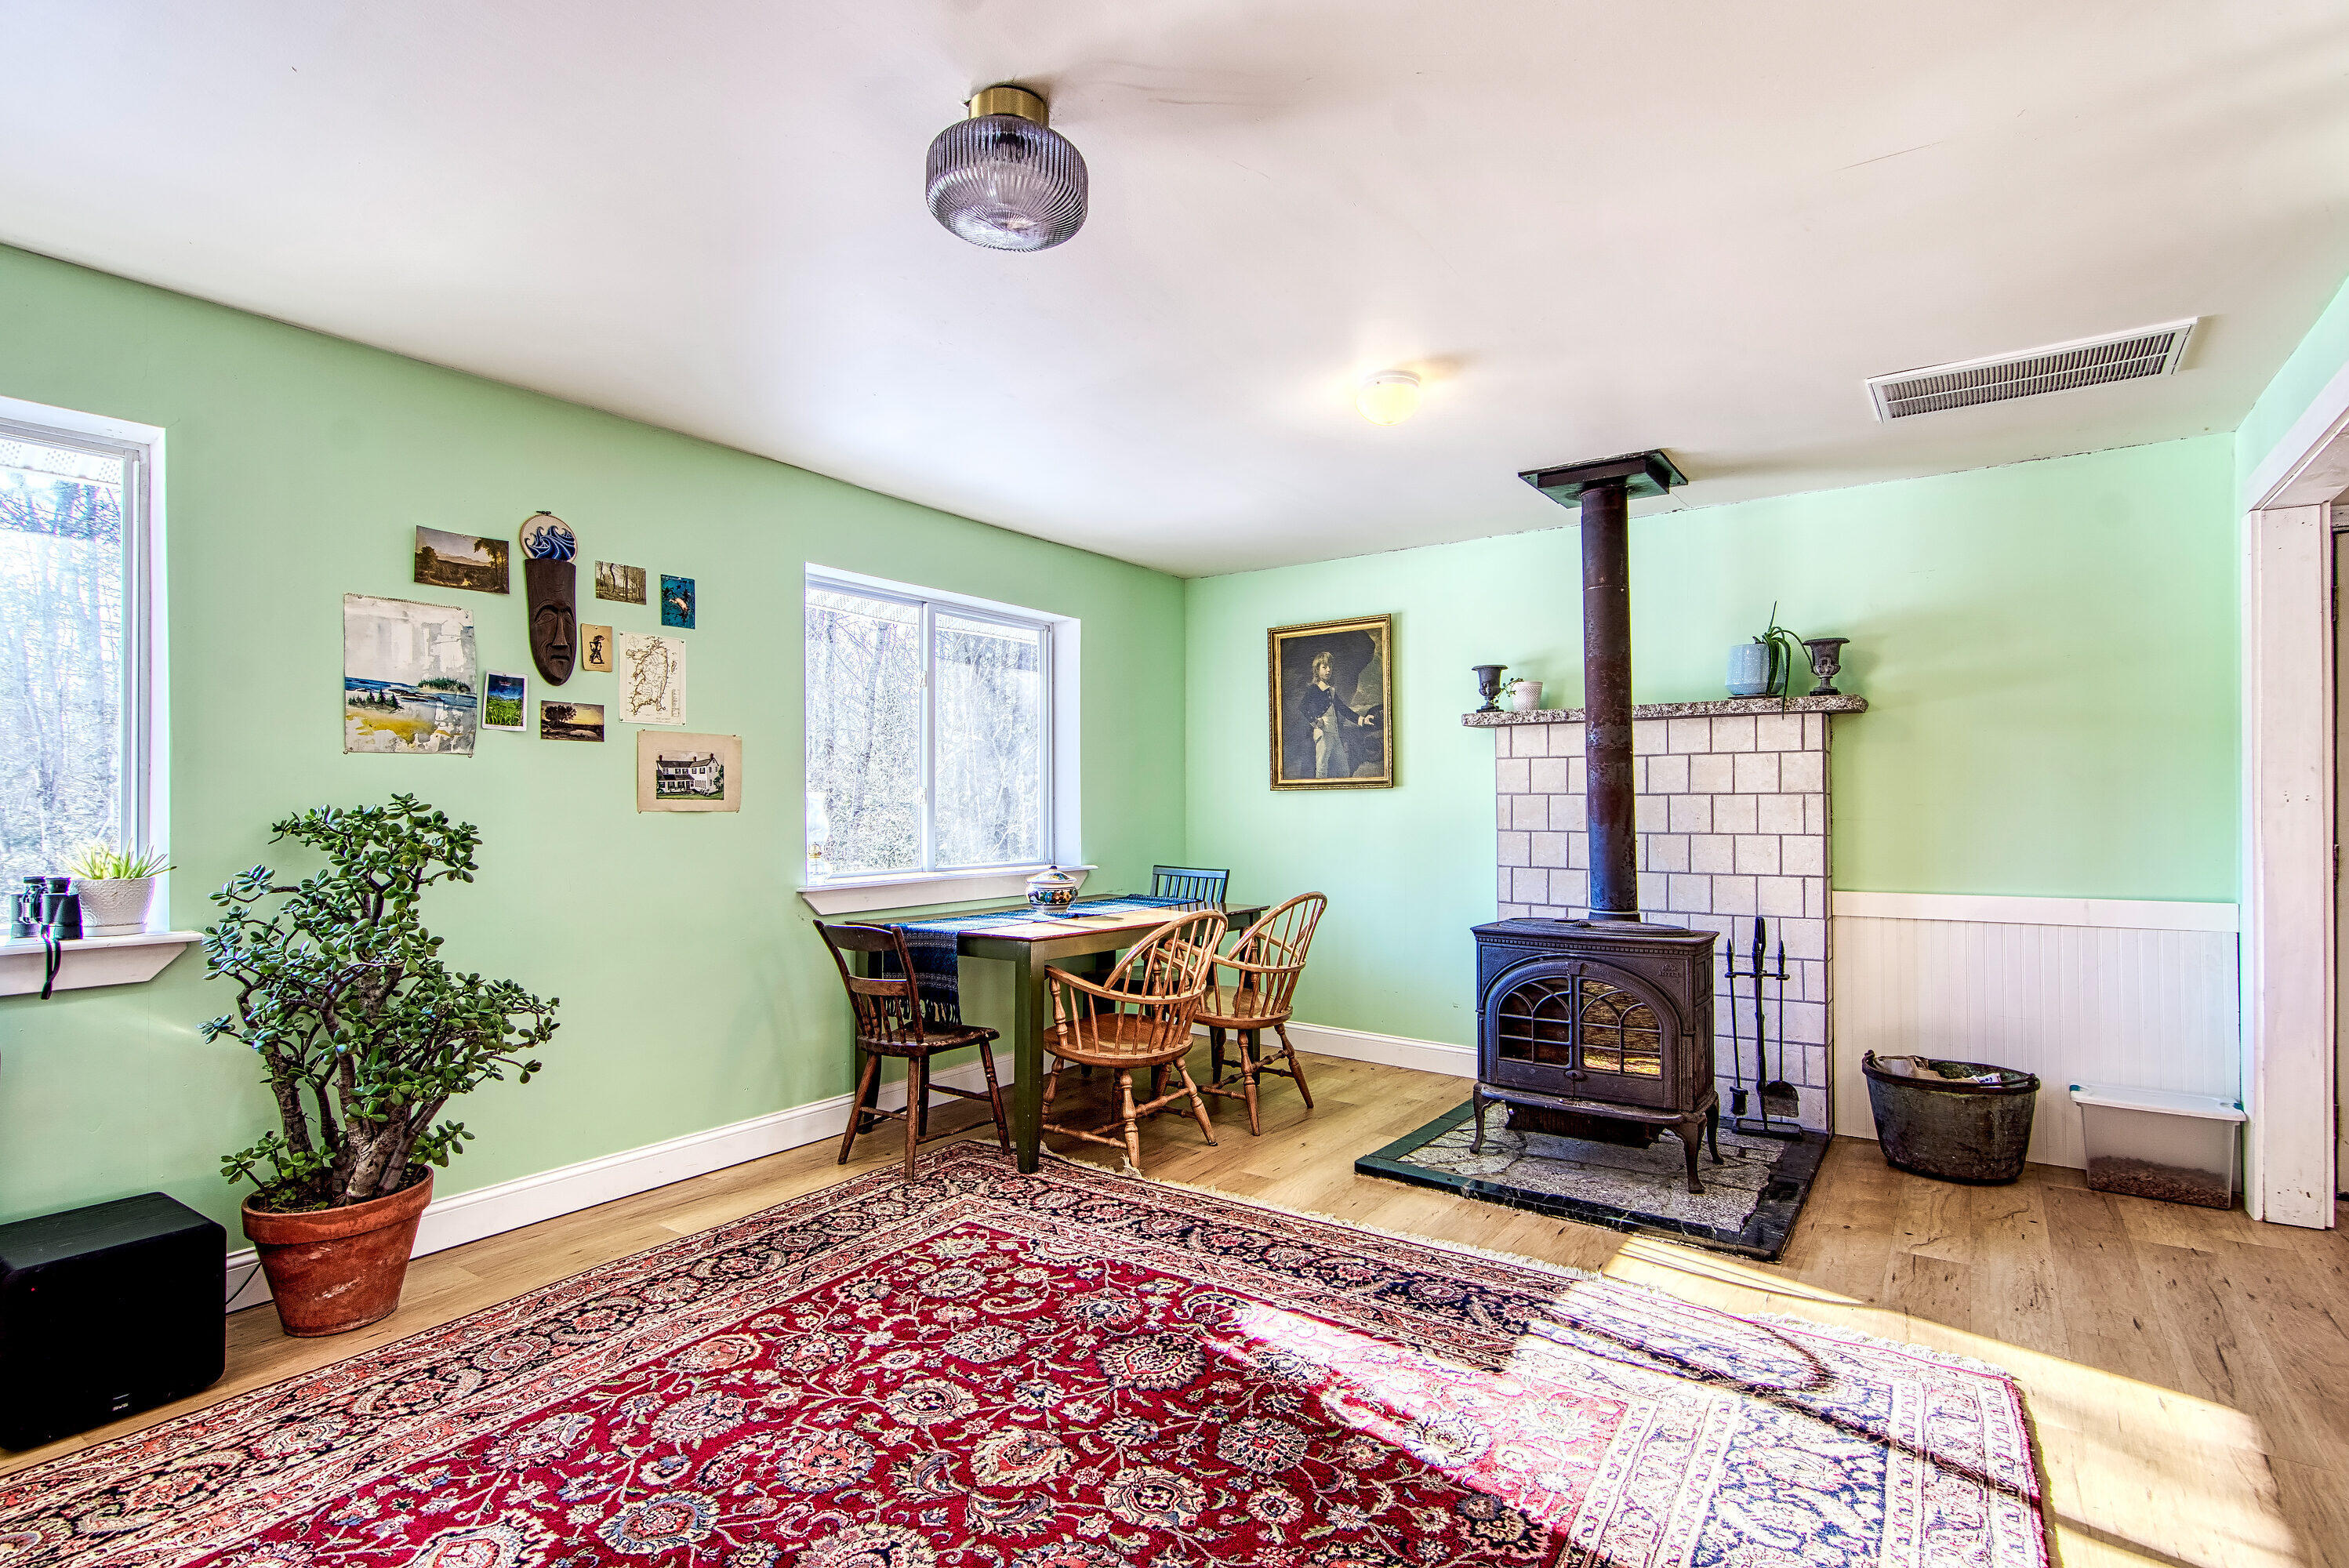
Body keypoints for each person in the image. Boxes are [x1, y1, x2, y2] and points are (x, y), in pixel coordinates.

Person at [1293, 649, 1379, 779]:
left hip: (1335, 734)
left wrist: (1362, 720)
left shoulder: (1331, 690)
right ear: (1317, 670)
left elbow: (1343, 709)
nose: (1328, 670)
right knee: (1321, 769)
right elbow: (1303, 706)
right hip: (1323, 733)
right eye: (1324, 667)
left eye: (1330, 667)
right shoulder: (1314, 688)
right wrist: (1315, 721)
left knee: (1344, 769)